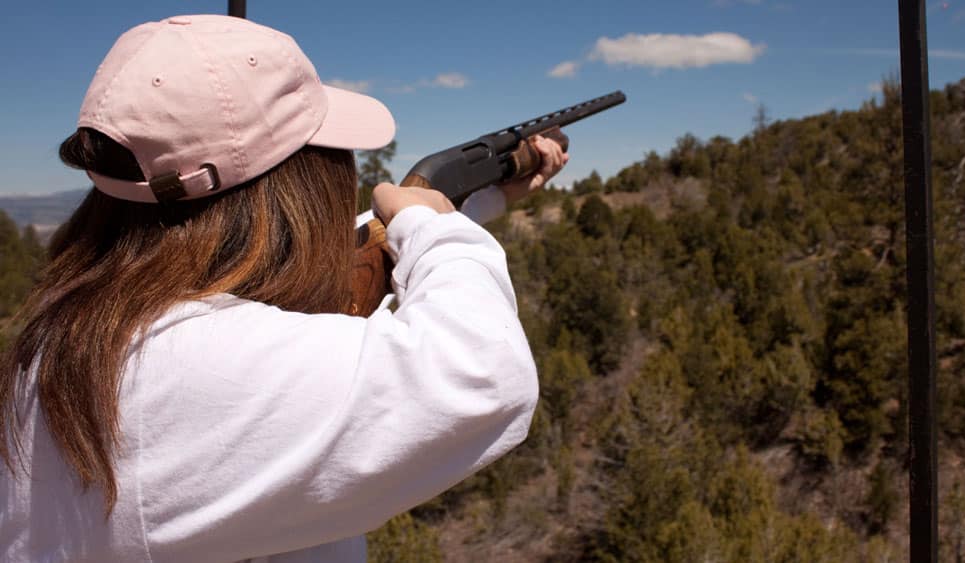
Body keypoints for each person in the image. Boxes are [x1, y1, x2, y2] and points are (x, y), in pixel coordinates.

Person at [0, 14, 568, 562]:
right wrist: (430, 225)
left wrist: (475, 199)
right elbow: (483, 377)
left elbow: (335, 259)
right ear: (291, 189)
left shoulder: (79, 342)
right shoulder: (200, 369)